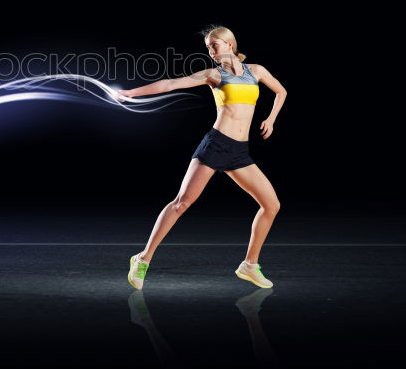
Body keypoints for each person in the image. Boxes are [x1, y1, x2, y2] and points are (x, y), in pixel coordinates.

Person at [119, 25, 288, 290]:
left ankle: (249, 265)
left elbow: (281, 92)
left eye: (214, 45)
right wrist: (132, 93)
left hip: (239, 151)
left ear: (230, 44)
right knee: (182, 202)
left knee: (271, 205)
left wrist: (271, 119)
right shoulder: (213, 74)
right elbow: (171, 84)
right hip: (216, 145)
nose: (210, 51)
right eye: (208, 47)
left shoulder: (256, 71)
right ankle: (142, 258)